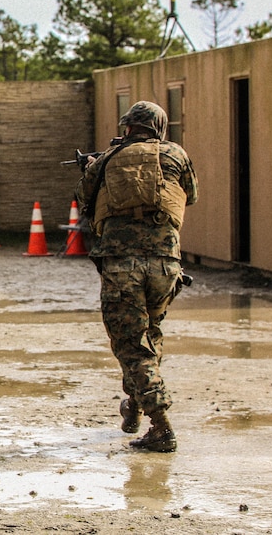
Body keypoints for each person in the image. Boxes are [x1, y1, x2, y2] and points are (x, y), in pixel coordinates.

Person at [76, 100, 198, 453]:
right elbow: (190, 195)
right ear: (159, 128)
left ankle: (160, 425)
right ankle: (134, 407)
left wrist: (92, 167)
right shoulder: (177, 154)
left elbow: (83, 197)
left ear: (127, 126)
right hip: (165, 265)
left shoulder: (109, 160)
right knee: (149, 337)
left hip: (122, 267)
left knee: (132, 347)